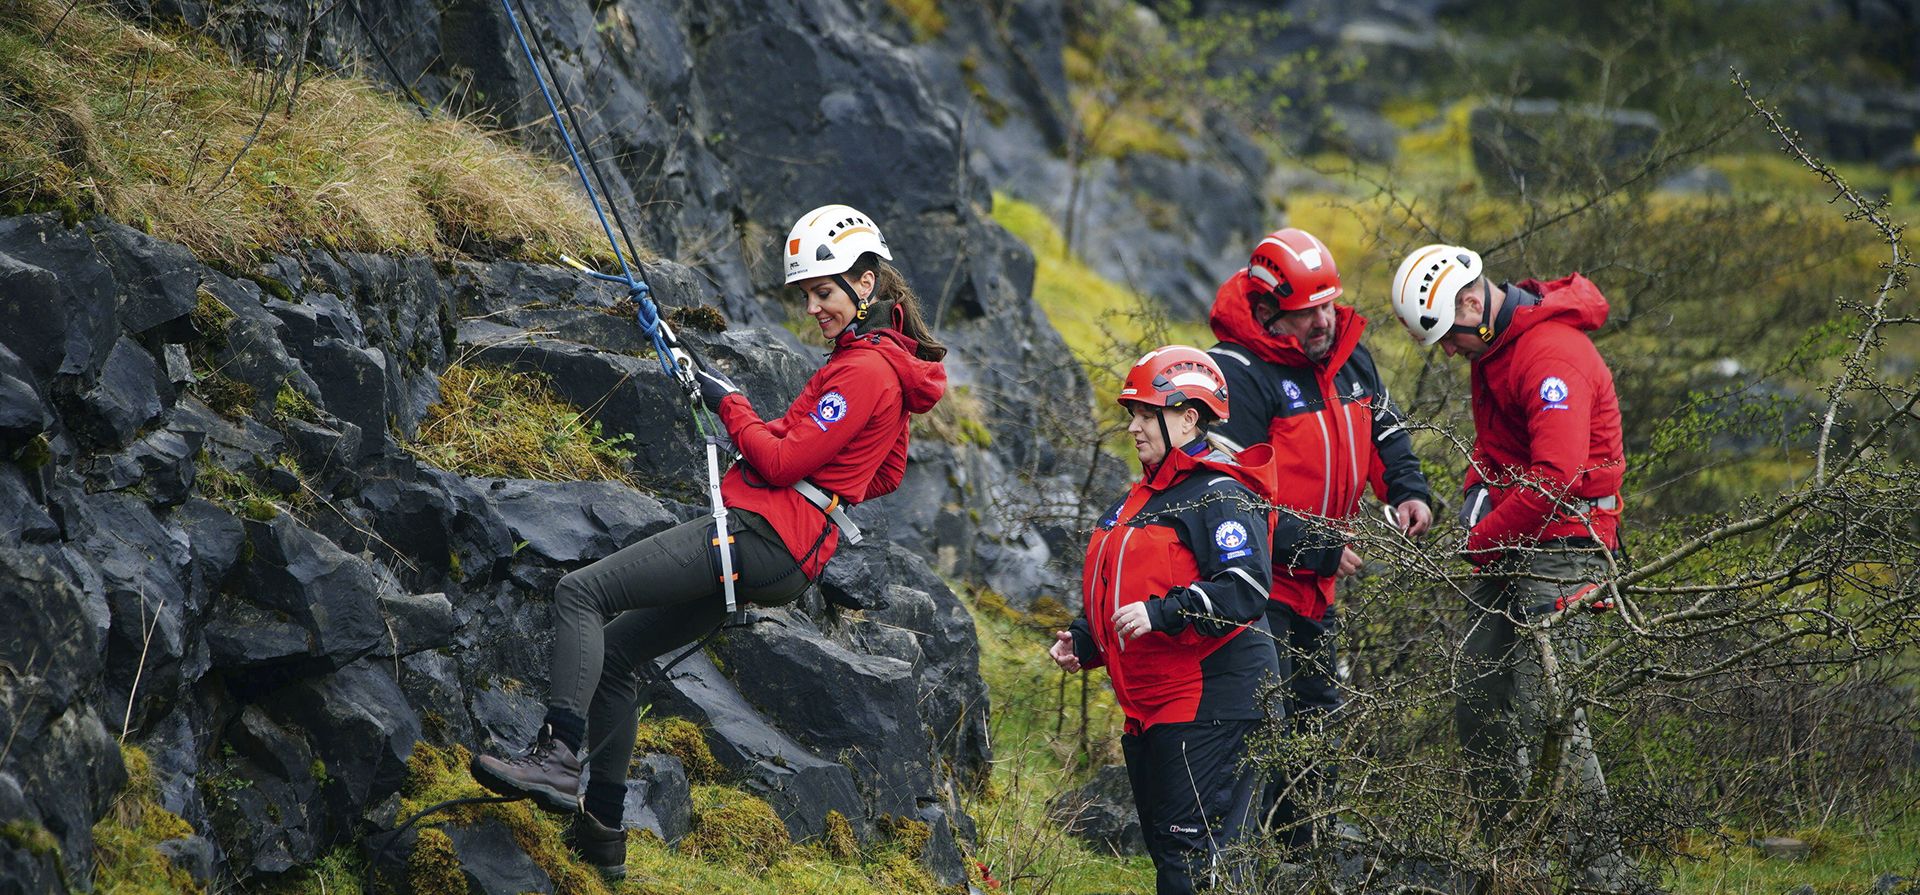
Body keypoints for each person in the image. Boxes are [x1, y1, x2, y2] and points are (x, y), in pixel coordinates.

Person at [470, 204, 947, 880]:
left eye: (825, 291)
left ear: (866, 282)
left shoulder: (866, 370)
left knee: (581, 593)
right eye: (808, 295)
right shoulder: (887, 367)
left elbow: (781, 462)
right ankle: (601, 836)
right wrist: (816, 475)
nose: (815, 306)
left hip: (760, 534)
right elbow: (887, 470)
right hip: (786, 553)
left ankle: (555, 755)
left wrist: (732, 404)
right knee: (618, 659)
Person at [1390, 243, 1635, 888]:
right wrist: (1475, 493)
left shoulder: (1550, 356)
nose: (1448, 351)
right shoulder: (1494, 352)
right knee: (1476, 696)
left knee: (1548, 711)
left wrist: (1479, 540)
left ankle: (1600, 875)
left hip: (1565, 546)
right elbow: (1496, 448)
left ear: (1472, 303)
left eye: (1448, 335)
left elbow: (1556, 476)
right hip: (1513, 540)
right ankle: (1514, 864)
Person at [1204, 227, 1432, 849]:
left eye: (1329, 304)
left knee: (1316, 723)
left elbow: (1385, 430)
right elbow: (1227, 502)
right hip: (1256, 586)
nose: (1324, 322)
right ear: (1269, 310)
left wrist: (1408, 491)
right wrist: (1316, 546)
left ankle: (1303, 857)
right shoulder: (1236, 377)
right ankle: (1231, 864)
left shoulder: (1348, 356)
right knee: (1260, 723)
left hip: (1317, 588)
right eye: (1308, 313)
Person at [1048, 346, 1280, 895]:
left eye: (1145, 413)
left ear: (1188, 417)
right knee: (1172, 855)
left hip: (1213, 704)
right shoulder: (1143, 496)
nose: (1133, 426)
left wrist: (1164, 612)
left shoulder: (1221, 493)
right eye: (1133, 413)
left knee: (1193, 863)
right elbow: (1124, 587)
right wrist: (1087, 640)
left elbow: (1246, 587)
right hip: (1153, 707)